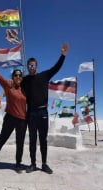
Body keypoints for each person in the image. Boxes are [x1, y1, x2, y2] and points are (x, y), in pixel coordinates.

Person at [21, 43, 69, 174]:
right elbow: (14, 84)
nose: (31, 67)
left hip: (43, 112)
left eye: (33, 65)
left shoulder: (44, 76)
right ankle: (32, 164)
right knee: (32, 140)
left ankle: (44, 164)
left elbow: (56, 68)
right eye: (29, 65)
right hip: (31, 113)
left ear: (36, 66)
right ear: (27, 67)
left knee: (43, 139)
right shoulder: (24, 81)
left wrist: (63, 55)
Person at [0, 55, 27, 173]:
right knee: (2, 139)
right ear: (13, 77)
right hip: (10, 118)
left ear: (22, 78)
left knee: (20, 143)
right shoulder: (9, 86)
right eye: (16, 75)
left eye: (20, 75)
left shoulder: (25, 89)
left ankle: (18, 164)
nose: (18, 77)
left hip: (22, 120)